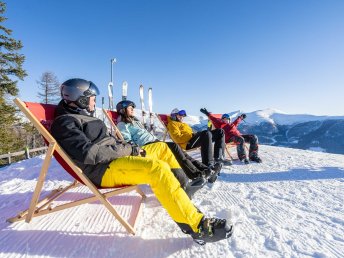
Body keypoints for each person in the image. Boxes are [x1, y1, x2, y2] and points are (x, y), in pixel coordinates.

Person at [50, 78, 233, 244]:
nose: (94, 102)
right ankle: (197, 226)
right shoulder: (65, 122)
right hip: (102, 169)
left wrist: (127, 146)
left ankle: (182, 191)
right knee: (156, 168)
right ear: (81, 99)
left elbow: (107, 143)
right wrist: (129, 148)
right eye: (92, 98)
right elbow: (89, 154)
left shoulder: (83, 117)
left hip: (116, 158)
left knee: (162, 148)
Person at [115, 100, 221, 187]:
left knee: (182, 153)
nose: (133, 109)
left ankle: (206, 170)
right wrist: (138, 150)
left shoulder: (135, 122)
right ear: (123, 110)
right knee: (175, 148)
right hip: (146, 147)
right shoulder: (122, 125)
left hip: (155, 143)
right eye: (130, 107)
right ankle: (197, 174)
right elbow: (127, 141)